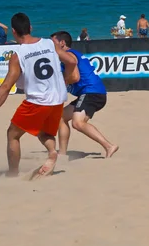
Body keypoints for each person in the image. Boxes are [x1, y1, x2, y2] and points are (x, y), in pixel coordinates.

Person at [0, 13, 79, 178]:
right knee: (43, 132)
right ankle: (52, 152)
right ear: (30, 28)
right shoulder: (49, 43)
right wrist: (64, 79)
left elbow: (6, 86)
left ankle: (13, 174)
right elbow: (72, 61)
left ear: (14, 32)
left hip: (37, 101)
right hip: (58, 98)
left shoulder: (18, 56)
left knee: (13, 134)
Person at [51, 31, 119, 159]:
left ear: (62, 43)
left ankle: (109, 146)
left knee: (77, 123)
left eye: (52, 43)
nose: (50, 46)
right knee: (61, 117)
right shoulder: (65, 58)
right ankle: (62, 154)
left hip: (92, 92)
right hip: (90, 92)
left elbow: (75, 77)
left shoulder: (69, 55)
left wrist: (62, 82)